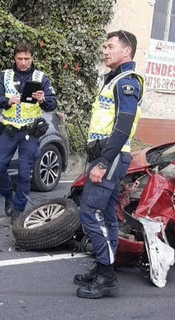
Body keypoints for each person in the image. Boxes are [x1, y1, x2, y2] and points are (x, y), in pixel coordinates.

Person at [73, 30, 145, 299]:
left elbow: (123, 126)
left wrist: (103, 162)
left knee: (89, 212)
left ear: (126, 51)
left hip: (110, 158)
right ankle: (104, 267)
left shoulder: (127, 82)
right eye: (104, 46)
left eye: (110, 46)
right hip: (106, 156)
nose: (104, 50)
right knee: (106, 215)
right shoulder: (113, 80)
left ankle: (107, 277)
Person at [0, 42, 57, 223]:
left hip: (30, 132)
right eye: (20, 59)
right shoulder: (5, 76)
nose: (24, 62)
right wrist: (6, 100)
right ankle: (8, 197)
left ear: (32, 58)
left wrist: (43, 100)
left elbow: (52, 104)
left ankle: (18, 210)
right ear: (14, 58)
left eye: (27, 58)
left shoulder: (41, 78)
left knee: (24, 172)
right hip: (9, 130)